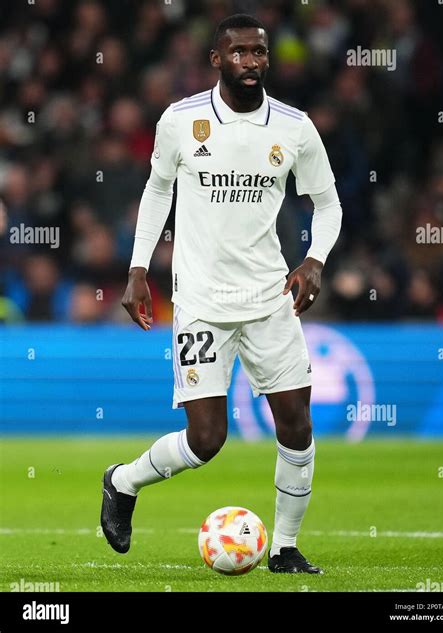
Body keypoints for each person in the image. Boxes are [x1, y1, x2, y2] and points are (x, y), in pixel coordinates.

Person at [101, 14, 342, 574]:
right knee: (206, 439)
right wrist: (138, 268)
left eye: (259, 53)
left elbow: (327, 205)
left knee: (297, 422)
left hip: (269, 297)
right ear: (217, 59)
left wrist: (314, 259)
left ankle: (283, 547)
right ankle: (122, 481)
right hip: (203, 303)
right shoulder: (180, 121)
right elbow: (158, 189)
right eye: (239, 53)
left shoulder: (294, 127)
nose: (251, 62)